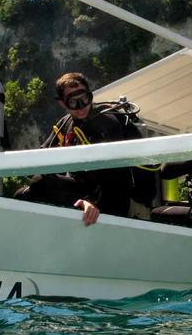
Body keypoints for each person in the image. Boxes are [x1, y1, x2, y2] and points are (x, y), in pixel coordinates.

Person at [14, 72, 141, 225]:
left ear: (90, 96)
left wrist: (92, 202)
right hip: (80, 190)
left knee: (39, 183)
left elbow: (117, 177)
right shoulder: (65, 123)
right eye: (73, 102)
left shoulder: (106, 123)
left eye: (84, 99)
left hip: (110, 199)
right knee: (24, 193)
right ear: (62, 103)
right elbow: (42, 159)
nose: (81, 107)